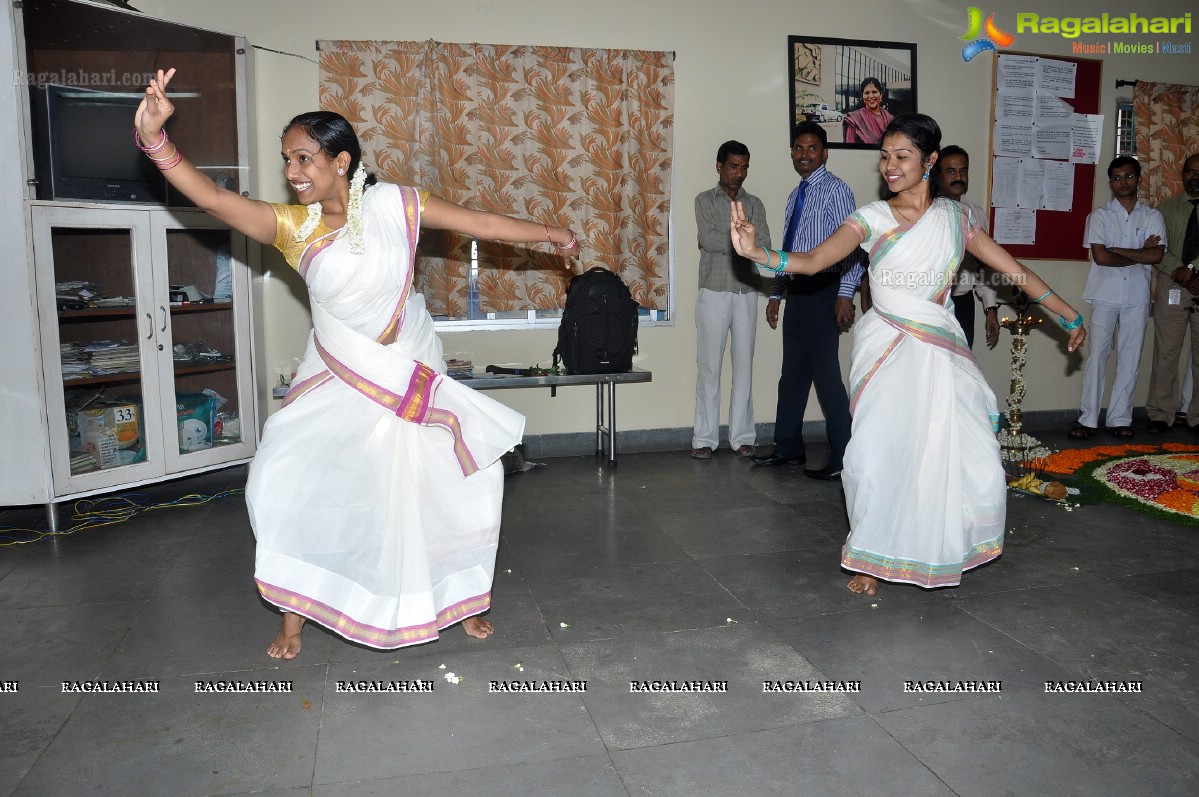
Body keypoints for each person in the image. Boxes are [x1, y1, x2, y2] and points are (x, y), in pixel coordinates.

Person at [134, 69, 578, 659]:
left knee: (446, 484)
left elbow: (482, 223)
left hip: (410, 364)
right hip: (341, 375)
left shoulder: (398, 204)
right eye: (287, 160)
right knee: (282, 481)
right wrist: (157, 142)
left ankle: (461, 601)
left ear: (341, 161)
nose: (291, 172)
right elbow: (215, 199)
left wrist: (553, 235)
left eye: (303, 159)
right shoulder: (294, 227)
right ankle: (293, 617)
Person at [729, 113, 1086, 596]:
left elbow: (1014, 271)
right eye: (884, 156)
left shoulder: (957, 220)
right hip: (886, 350)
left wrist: (1066, 313)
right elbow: (813, 261)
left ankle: (936, 545)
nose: (890, 166)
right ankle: (871, 555)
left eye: (902, 156)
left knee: (945, 451)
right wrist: (759, 253)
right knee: (875, 454)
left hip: (938, 351)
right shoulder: (871, 218)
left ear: (930, 160)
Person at [754, 122, 864, 479]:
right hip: (798, 292)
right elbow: (788, 250)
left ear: (825, 152)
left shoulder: (836, 191)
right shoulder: (795, 195)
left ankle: (845, 457)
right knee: (793, 376)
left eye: (812, 148)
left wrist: (846, 293)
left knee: (827, 376)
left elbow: (854, 248)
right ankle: (788, 446)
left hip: (825, 290)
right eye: (798, 148)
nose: (804, 154)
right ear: (792, 153)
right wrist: (776, 293)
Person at [1069, 156, 1166, 440]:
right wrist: (1138, 253)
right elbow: (1101, 257)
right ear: (1110, 182)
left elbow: (1156, 255)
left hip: (1137, 296)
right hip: (1104, 295)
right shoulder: (1099, 216)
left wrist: (1117, 249)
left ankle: (1120, 419)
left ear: (1138, 178)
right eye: (1117, 178)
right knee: (1097, 355)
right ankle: (1087, 419)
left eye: (1129, 176)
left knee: (1130, 356)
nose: (1123, 182)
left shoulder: (1152, 217)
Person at [692, 141, 771, 460]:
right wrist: (741, 240)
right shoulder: (704, 200)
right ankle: (704, 438)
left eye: (744, 167)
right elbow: (707, 239)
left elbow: (764, 244)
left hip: (747, 291)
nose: (739, 173)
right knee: (709, 367)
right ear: (719, 166)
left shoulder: (755, 203)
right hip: (713, 289)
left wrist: (743, 242)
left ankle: (742, 437)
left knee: (744, 367)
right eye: (734, 166)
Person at [1145, 153, 1199, 433]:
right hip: (1173, 285)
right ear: (1182, 174)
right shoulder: (1164, 210)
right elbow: (1158, 250)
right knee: (1166, 352)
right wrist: (1181, 270)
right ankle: (1160, 414)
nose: (1195, 177)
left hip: (1191, 278)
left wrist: (1191, 269)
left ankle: (1197, 416)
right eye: (1190, 171)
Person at [936, 145, 1000, 350]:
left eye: (963, 171)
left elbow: (985, 264)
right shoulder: (927, 211)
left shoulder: (976, 213)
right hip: (932, 303)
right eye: (951, 171)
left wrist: (991, 307)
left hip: (963, 301)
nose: (959, 177)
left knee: (963, 365)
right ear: (938, 175)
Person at [842, 77, 893, 146]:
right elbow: (849, 148)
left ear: (881, 95)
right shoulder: (855, 119)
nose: (871, 96)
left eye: (874, 92)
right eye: (867, 93)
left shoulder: (889, 118)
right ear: (862, 96)